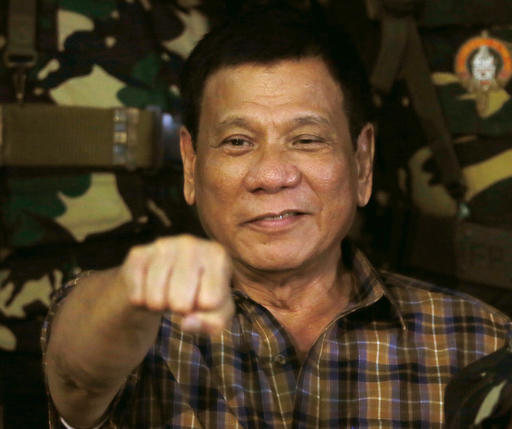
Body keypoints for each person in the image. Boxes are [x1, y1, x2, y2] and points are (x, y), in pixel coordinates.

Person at [42, 4, 512, 428]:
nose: (271, 174)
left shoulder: (479, 341)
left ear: (362, 161)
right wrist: (136, 287)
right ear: (191, 165)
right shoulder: (130, 326)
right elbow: (77, 379)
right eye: (237, 142)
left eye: (307, 140)